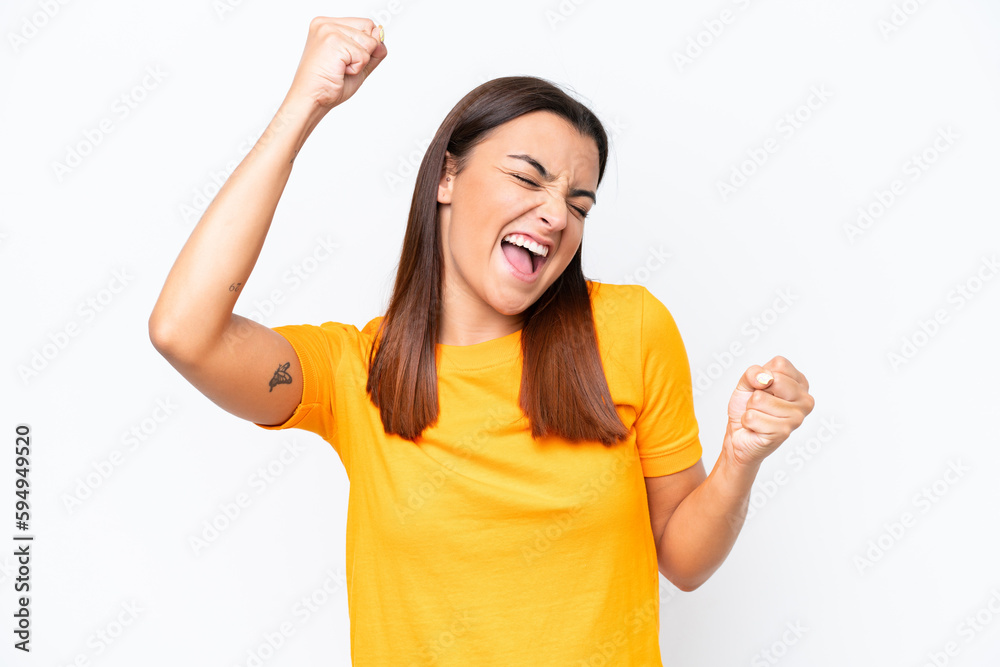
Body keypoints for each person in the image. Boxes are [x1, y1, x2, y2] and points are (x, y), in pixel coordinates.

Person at [148, 16, 815, 666]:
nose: (556, 214)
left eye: (579, 203)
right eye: (528, 178)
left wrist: (741, 456)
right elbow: (184, 330)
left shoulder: (631, 328)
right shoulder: (358, 371)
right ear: (446, 177)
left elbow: (685, 559)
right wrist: (304, 106)